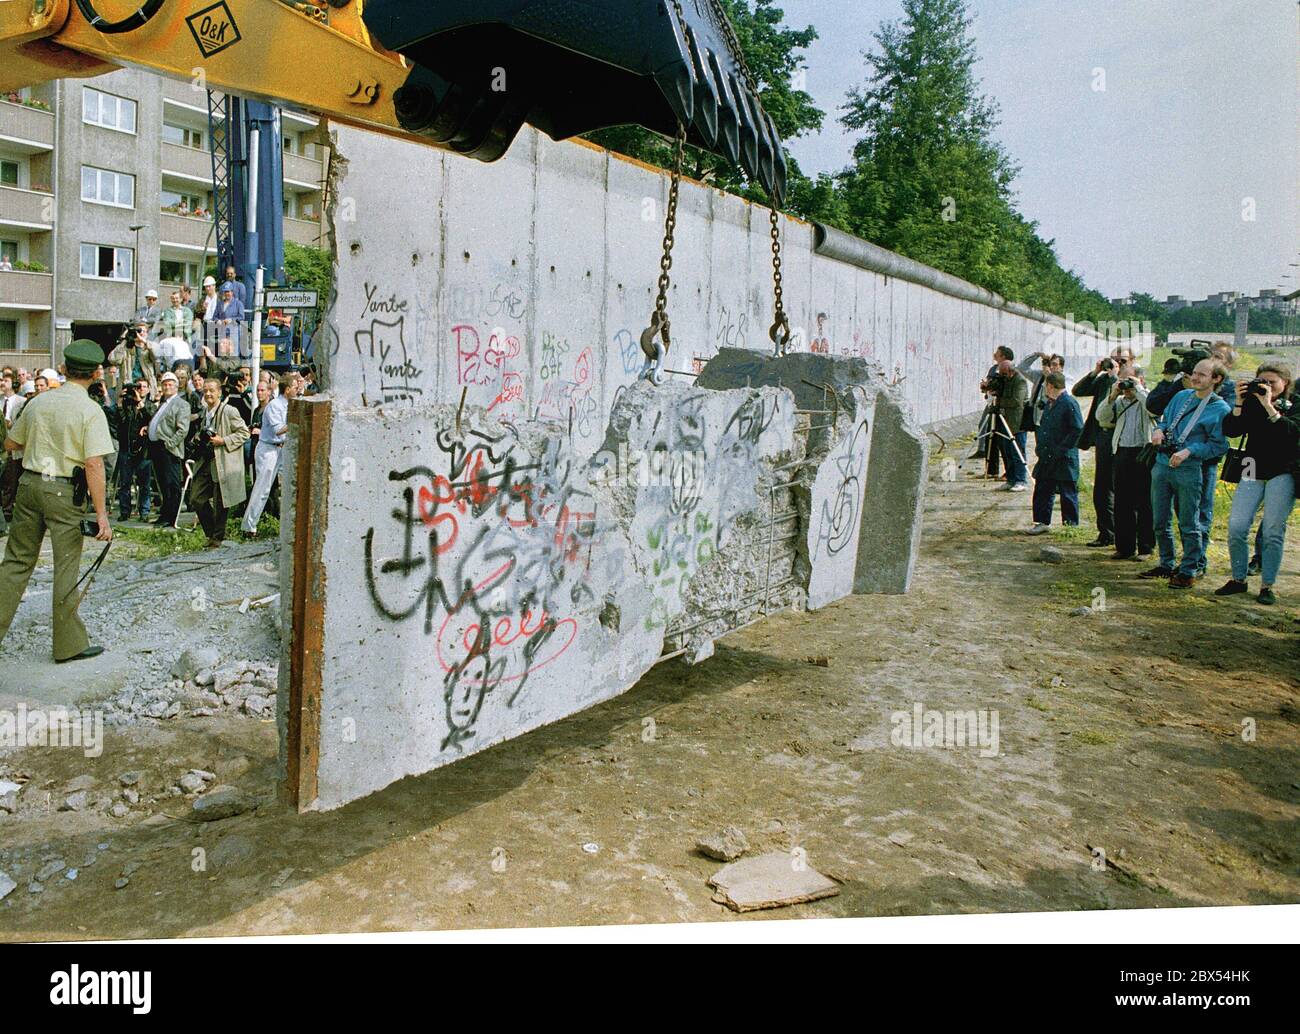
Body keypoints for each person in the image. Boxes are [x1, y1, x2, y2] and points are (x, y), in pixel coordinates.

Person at [0, 340, 114, 663]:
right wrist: (102, 515)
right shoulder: (91, 410)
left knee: (16, 563)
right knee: (66, 565)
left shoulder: (38, 402)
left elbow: (11, 443)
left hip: (29, 485)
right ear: (95, 374)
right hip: (64, 493)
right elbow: (94, 465)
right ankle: (68, 645)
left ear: (63, 370)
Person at [1142, 359, 1231, 589]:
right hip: (1163, 462)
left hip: (1189, 468)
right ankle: (1166, 563)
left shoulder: (1220, 408)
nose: (1195, 378)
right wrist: (1158, 431)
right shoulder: (1182, 397)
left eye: (1202, 375)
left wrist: (1190, 450)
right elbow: (1164, 421)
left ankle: (1189, 569)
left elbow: (1219, 445)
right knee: (1160, 518)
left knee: (1189, 522)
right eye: (1194, 373)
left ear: (1216, 379)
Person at [1215, 363, 1298, 605]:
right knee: (1237, 526)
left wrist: (1269, 405)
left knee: (1273, 530)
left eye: (1272, 382)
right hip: (1252, 465)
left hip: (1282, 469)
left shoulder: (1296, 404)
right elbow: (1231, 430)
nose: (1266, 386)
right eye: (1262, 381)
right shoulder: (1250, 401)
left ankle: (1267, 585)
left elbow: (1291, 433)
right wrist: (1240, 403)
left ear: (1285, 384)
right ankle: (1238, 579)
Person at [1073, 346, 1135, 548]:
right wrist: (1096, 371)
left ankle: (1117, 534)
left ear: (1131, 361)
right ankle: (1107, 532)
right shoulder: (1105, 379)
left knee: (1117, 488)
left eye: (1123, 361)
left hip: (1122, 439)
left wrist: (1116, 377)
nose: (1117, 364)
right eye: (1114, 360)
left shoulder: (1133, 380)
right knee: (1102, 488)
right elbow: (1078, 391)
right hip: (1103, 437)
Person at [1096, 359, 1155, 561]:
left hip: (1142, 452)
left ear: (1140, 379)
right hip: (1121, 452)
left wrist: (1137, 389)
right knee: (1122, 502)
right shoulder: (1119, 401)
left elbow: (1153, 409)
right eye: (1122, 381)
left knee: (1144, 502)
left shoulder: (1148, 397)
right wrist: (1112, 395)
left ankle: (1146, 547)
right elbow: (1101, 417)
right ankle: (1125, 546)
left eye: (1128, 380)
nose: (1126, 386)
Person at [190, 377, 249, 548]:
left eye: (211, 391)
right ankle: (211, 533)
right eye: (205, 390)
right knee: (196, 498)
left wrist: (224, 440)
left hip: (222, 461)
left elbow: (244, 433)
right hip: (206, 461)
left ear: (219, 393)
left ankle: (217, 538)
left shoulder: (229, 411)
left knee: (220, 502)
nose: (208, 393)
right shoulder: (205, 412)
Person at [1027, 373, 1083, 534]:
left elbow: (1077, 429)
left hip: (1063, 457)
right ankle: (1042, 521)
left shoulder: (1069, 403)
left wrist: (1062, 449)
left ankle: (1070, 525)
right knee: (1043, 488)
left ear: (1050, 386)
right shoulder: (1050, 403)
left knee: (1067, 491)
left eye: (1046, 386)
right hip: (1047, 455)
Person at [243, 373, 297, 536]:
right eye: (294, 387)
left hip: (282, 448)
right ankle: (249, 526)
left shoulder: (290, 404)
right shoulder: (274, 406)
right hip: (268, 449)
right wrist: (296, 420)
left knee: (292, 483)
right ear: (287, 389)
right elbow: (278, 430)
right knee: (263, 488)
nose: (297, 389)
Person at [147, 372, 190, 528]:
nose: (167, 387)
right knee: (163, 484)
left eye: (170, 384)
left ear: (176, 386)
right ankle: (165, 515)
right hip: (157, 448)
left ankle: (171, 517)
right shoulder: (163, 403)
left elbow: (183, 429)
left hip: (168, 449)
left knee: (172, 484)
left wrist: (170, 444)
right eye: (165, 384)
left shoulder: (181, 404)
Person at [114, 380, 155, 522]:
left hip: (143, 449)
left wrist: (140, 402)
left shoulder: (150, 405)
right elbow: (120, 422)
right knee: (124, 483)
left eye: (144, 387)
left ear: (148, 389)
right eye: (138, 387)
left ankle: (144, 511)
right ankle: (125, 511)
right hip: (126, 448)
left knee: (144, 483)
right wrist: (120, 403)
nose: (140, 389)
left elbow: (151, 418)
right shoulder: (126, 405)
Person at [992, 354, 1029, 491]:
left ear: (1011, 371)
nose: (1002, 376)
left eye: (1004, 373)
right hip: (1005, 422)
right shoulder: (1005, 380)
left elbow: (1016, 401)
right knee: (1007, 452)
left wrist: (999, 402)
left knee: (1017, 452)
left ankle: (1021, 480)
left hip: (1017, 423)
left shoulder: (1020, 381)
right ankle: (1011, 479)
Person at [108, 323, 158, 396]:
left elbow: (157, 357)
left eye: (144, 331)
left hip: (146, 387)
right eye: (139, 331)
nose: (141, 333)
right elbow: (113, 360)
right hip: (128, 385)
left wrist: (144, 341)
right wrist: (125, 340)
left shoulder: (150, 346)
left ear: (147, 334)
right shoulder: (126, 347)